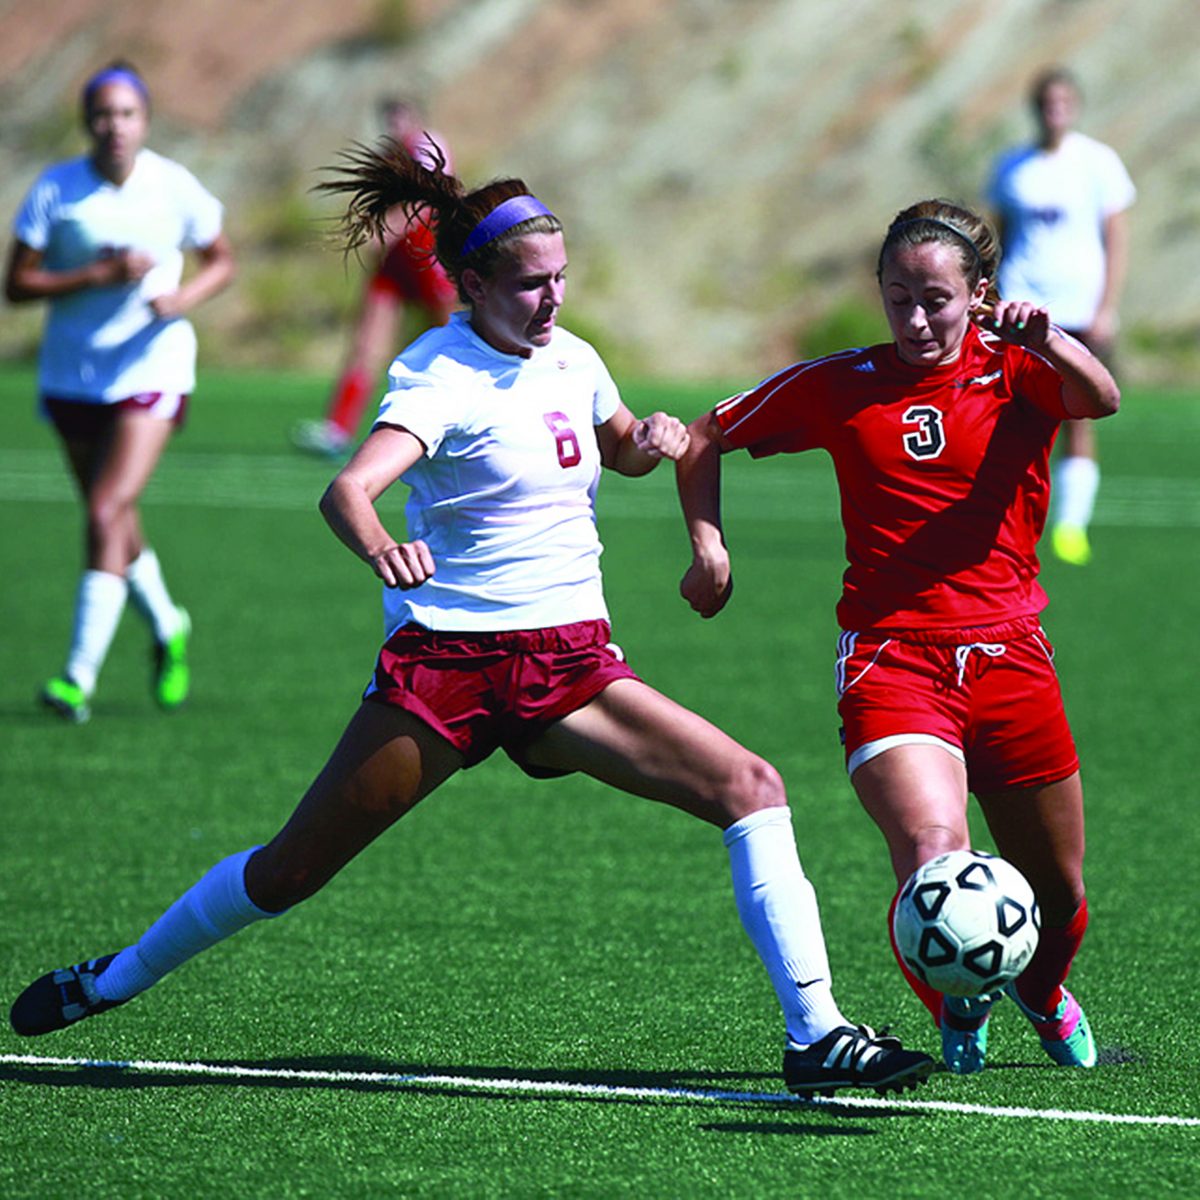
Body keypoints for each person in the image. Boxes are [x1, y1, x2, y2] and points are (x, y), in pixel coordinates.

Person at [9, 142, 934, 1098]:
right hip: (446, 670)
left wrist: (653, 439)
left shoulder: (572, 357)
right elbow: (350, 490)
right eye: (532, 283)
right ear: (473, 282)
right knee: (287, 874)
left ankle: (816, 1032)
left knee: (751, 785)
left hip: (570, 667)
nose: (553, 300)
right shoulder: (437, 376)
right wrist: (380, 546)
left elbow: (615, 448)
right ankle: (111, 979)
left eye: (562, 278)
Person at [675, 199, 1119, 1076]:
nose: (915, 319)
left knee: (1062, 895)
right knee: (931, 856)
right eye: (897, 297)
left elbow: (1098, 398)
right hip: (892, 658)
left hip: (1012, 655)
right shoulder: (847, 382)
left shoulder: (1017, 371)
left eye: (937, 300)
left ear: (979, 295)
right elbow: (703, 436)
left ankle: (1036, 989)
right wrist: (709, 545)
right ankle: (959, 991)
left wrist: (1049, 338)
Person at [5, 60, 236, 724]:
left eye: (127, 113)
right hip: (73, 373)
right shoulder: (56, 190)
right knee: (114, 519)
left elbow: (222, 257)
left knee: (105, 512)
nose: (115, 125)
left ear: (145, 120)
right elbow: (16, 285)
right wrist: (97, 274)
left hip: (152, 367)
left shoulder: (173, 185)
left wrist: (182, 297)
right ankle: (169, 624)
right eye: (103, 114)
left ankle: (77, 676)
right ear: (86, 122)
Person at [987, 66, 1135, 566]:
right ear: (1036, 107)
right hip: (1021, 304)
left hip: (1075, 306)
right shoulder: (1012, 166)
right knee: (1011, 409)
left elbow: (1115, 238)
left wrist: (1106, 306)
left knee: (1077, 413)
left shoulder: (1098, 163)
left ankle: (1071, 526)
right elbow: (999, 239)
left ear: (1074, 106)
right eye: (1047, 101)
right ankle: (1002, 518)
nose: (1055, 110)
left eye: (1063, 101)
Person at [291, 97, 458, 460]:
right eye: (389, 120)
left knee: (455, 341)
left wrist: (388, 228)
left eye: (400, 118)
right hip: (394, 264)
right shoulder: (388, 156)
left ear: (416, 117)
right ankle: (337, 429)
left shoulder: (427, 146)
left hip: (427, 256)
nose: (395, 127)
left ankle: (464, 420)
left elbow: (429, 199)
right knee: (366, 344)